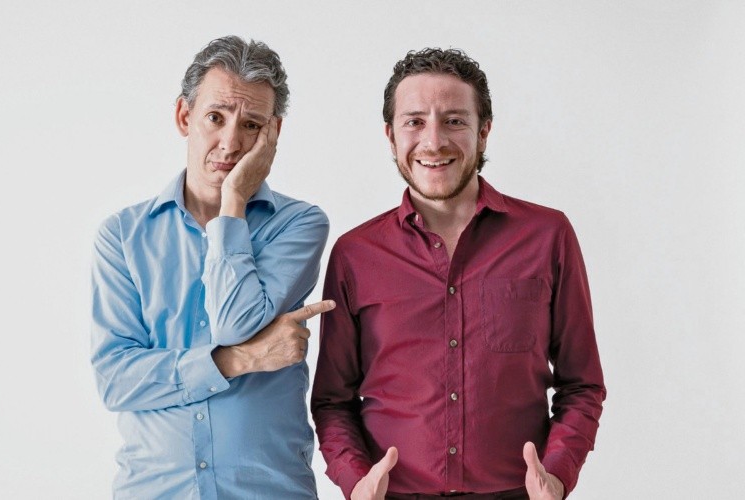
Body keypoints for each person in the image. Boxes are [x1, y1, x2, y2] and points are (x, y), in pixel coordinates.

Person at [312, 47, 605, 500]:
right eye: (414, 122)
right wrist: (356, 482)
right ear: (390, 136)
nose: (433, 142)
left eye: (454, 121)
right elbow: (333, 401)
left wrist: (558, 474)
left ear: (483, 132)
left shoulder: (548, 236)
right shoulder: (354, 254)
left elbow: (582, 384)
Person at [91, 36, 332, 499]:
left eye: (252, 125)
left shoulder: (298, 224)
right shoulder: (122, 236)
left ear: (273, 133)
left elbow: (234, 322)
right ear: (185, 116)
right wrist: (238, 360)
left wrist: (234, 200)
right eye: (216, 117)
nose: (231, 142)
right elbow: (115, 380)